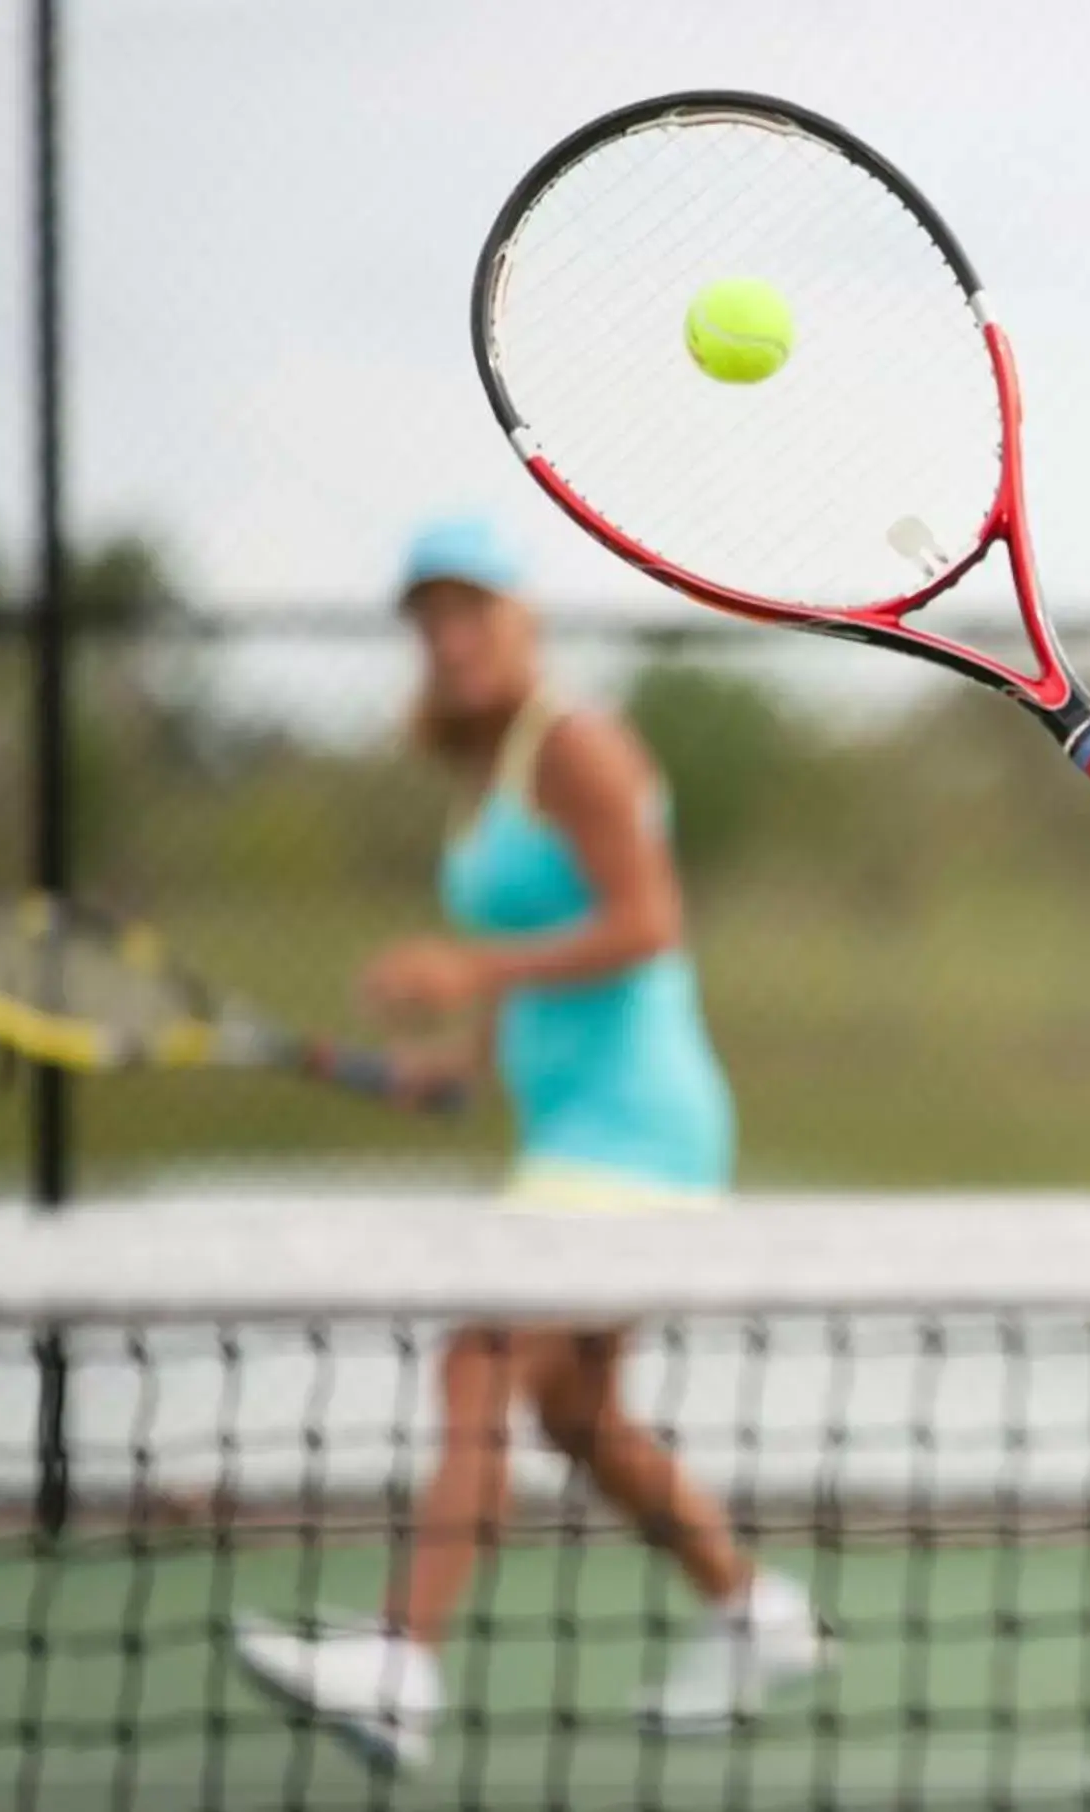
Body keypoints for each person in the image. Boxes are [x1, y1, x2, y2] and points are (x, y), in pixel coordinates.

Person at [230, 517, 829, 1772]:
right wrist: (459, 1067)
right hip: (571, 1128)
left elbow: (647, 924)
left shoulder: (576, 745)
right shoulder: (488, 769)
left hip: (639, 1133)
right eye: (428, 617)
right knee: (576, 1416)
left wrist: (466, 966)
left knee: (481, 1355)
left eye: (472, 609)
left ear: (524, 617)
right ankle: (752, 1612)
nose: (449, 637)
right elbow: (536, 941)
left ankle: (400, 1663)